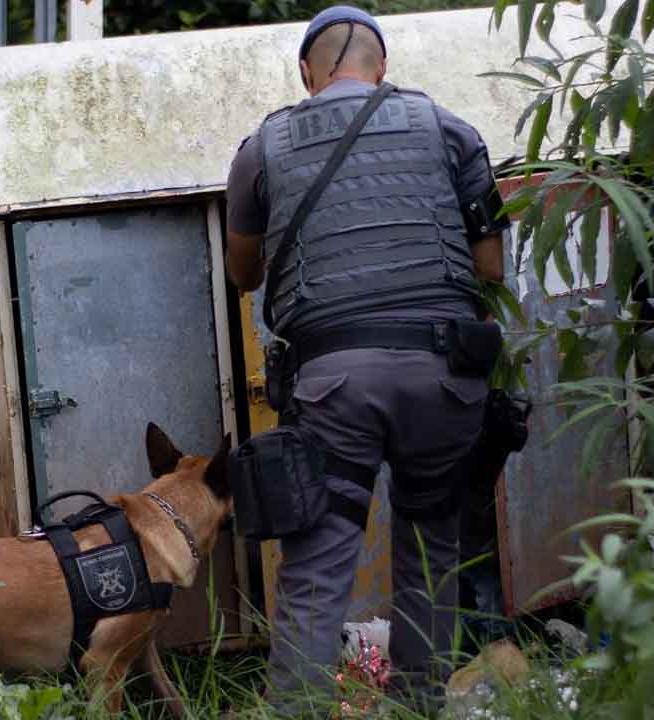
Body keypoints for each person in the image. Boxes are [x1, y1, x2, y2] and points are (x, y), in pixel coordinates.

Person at [223, 5, 511, 713]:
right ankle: (418, 704)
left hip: (334, 386)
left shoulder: (262, 147)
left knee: (318, 567)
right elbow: (493, 265)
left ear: (305, 73)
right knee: (431, 551)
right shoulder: (447, 129)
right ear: (382, 69)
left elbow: (243, 274)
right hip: (442, 379)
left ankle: (295, 709)